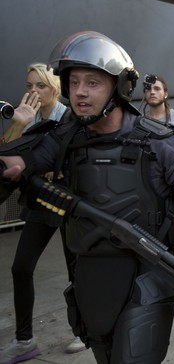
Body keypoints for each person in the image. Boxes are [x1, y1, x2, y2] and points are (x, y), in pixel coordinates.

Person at [0, 31, 174, 364]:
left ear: (119, 86)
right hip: (89, 278)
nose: (79, 92)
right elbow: (14, 165)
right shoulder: (62, 138)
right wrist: (14, 136)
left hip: (147, 275)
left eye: (92, 82)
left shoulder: (159, 142)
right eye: (74, 82)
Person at [0, 63, 85, 364]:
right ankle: (24, 340)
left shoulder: (70, 117)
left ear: (55, 89)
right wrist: (19, 125)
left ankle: (83, 330)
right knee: (21, 267)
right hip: (39, 200)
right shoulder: (29, 117)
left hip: (68, 200)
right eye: (28, 86)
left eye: (40, 86)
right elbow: (6, 160)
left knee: (77, 269)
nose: (33, 92)